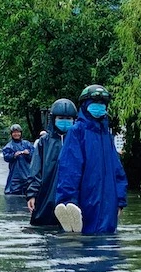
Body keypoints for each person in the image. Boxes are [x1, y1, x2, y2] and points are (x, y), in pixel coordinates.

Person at [54, 85, 127, 234]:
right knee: (86, 244)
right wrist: (68, 202)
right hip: (85, 203)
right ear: (85, 105)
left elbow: (117, 170)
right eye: (95, 102)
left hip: (109, 206)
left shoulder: (106, 135)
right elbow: (69, 170)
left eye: (102, 103)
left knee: (108, 248)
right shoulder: (77, 132)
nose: (99, 106)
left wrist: (120, 200)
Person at [26, 98, 77, 228]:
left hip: (74, 197)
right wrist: (32, 194)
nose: (65, 121)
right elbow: (35, 170)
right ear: (53, 119)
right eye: (61, 117)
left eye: (68, 118)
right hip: (46, 196)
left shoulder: (79, 141)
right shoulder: (44, 142)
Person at [2, 124, 34, 195]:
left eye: (18, 132)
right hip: (14, 176)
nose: (16, 134)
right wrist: (14, 155)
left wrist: (28, 153)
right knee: (12, 195)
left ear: (21, 133)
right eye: (14, 132)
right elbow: (6, 158)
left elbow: (34, 157)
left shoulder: (27, 144)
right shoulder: (9, 146)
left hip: (27, 174)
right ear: (11, 134)